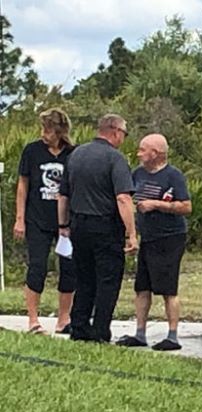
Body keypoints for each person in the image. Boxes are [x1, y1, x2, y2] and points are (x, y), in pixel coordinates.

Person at [57, 114, 138, 343]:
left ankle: (79, 326)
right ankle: (100, 331)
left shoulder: (75, 155)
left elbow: (63, 196)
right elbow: (123, 198)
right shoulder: (115, 158)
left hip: (78, 225)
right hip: (105, 226)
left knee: (84, 278)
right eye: (124, 133)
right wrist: (131, 234)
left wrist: (63, 225)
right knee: (108, 279)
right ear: (114, 131)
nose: (123, 138)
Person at [116, 134, 191, 351]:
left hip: (170, 237)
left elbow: (186, 206)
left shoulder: (173, 176)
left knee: (168, 288)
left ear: (155, 153)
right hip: (147, 237)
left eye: (142, 150)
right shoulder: (137, 174)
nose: (138, 154)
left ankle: (173, 335)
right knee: (142, 287)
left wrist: (157, 205)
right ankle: (140, 333)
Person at [14, 109, 76, 335]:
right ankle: (33, 319)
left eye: (48, 130)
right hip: (37, 219)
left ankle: (63, 318)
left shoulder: (72, 153)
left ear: (59, 132)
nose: (44, 134)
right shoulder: (32, 151)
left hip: (65, 222)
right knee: (37, 266)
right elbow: (23, 186)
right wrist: (20, 218)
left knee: (69, 268)